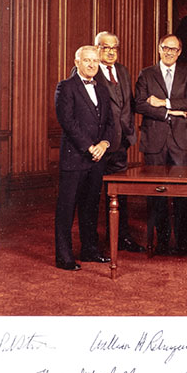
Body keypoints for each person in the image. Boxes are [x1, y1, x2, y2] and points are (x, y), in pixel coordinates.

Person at [134, 34, 187, 254]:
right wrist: (170, 113)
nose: (169, 52)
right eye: (166, 48)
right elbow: (140, 105)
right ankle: (160, 241)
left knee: (181, 191)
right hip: (155, 139)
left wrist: (164, 103)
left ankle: (182, 241)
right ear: (159, 49)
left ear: (180, 52)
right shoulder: (146, 73)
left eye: (174, 49)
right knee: (155, 192)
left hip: (180, 140)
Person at [53, 45, 115, 271]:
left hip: (97, 159)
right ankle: (64, 256)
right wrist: (89, 146)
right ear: (77, 61)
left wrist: (103, 144)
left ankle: (89, 250)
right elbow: (67, 122)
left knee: (90, 207)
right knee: (66, 208)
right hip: (75, 157)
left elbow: (110, 123)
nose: (91, 65)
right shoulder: (66, 87)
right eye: (87, 60)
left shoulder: (102, 89)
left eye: (95, 61)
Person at [91, 31, 144, 253]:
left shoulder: (122, 70)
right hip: (98, 145)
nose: (111, 52)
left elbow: (127, 104)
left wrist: (129, 133)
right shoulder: (89, 69)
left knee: (119, 193)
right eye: (105, 47)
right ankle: (92, 244)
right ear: (96, 48)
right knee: (93, 194)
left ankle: (122, 237)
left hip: (121, 142)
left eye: (114, 48)